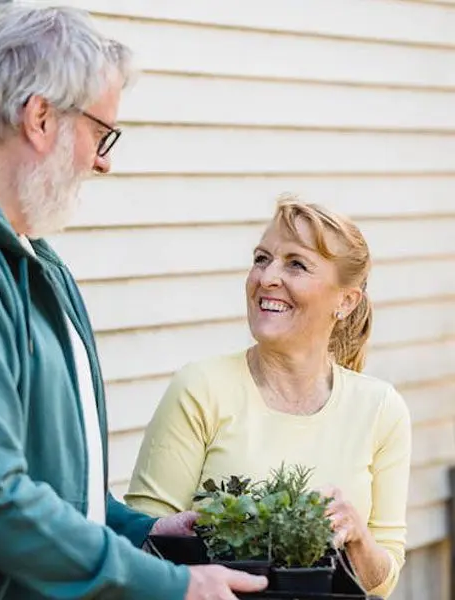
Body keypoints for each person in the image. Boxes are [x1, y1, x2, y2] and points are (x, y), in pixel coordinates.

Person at [0, 6, 268, 600]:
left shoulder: (23, 252)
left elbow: (42, 471)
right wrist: (169, 586)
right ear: (41, 118)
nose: (104, 160)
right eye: (102, 133)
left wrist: (140, 529)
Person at [126, 197, 412, 598]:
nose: (267, 277)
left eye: (296, 264)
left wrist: (358, 537)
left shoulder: (381, 409)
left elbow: (383, 580)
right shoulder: (201, 389)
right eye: (262, 258)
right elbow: (143, 542)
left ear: (345, 302)